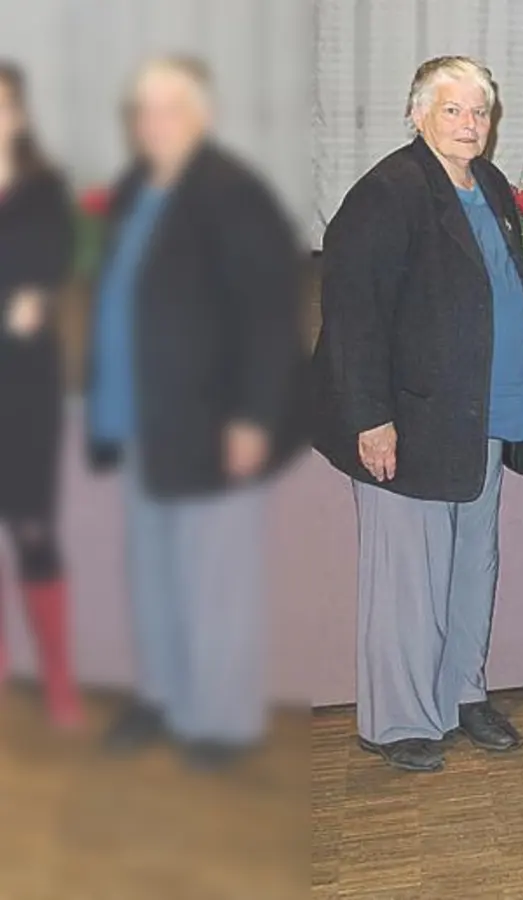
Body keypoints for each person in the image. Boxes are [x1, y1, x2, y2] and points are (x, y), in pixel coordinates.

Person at [312, 56, 523, 773]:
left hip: (483, 416)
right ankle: (400, 719)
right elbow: (353, 318)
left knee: (473, 565)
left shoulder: (490, 185)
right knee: (408, 579)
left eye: (480, 112)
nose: (470, 124)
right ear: (417, 114)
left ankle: (463, 694)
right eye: (453, 110)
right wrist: (369, 419)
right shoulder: (387, 192)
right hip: (407, 423)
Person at [89, 57, 304, 769]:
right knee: (151, 573)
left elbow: (269, 317)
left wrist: (249, 418)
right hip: (137, 420)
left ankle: (216, 721)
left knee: (214, 580)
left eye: (170, 109)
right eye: (143, 111)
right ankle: (160, 697)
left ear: (202, 116)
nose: (153, 124)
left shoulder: (232, 193)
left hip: (210, 425)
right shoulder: (132, 189)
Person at [0, 62, 81, 728]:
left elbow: (35, 292)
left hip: (25, 392)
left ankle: (57, 681)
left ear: (18, 114)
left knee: (33, 530)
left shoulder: (45, 190)